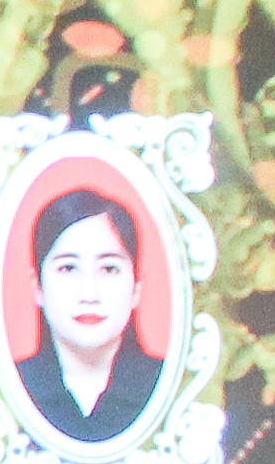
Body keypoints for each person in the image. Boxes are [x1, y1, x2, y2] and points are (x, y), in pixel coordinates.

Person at [10, 185, 165, 449]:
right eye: (68, 268)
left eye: (108, 268)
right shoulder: (8, 389)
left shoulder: (172, 386)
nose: (89, 293)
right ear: (37, 287)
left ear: (136, 288)